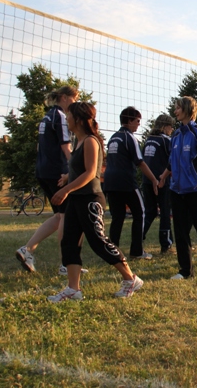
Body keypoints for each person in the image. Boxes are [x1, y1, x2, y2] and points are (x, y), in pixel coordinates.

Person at [47, 102, 143, 302]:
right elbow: (80, 169)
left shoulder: (91, 141)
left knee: (98, 241)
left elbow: (91, 173)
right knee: (69, 242)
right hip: (76, 198)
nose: (66, 119)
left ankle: (130, 279)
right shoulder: (78, 141)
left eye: (69, 116)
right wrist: (68, 177)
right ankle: (73, 289)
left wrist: (65, 190)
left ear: (78, 119)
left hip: (90, 199)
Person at [16, 85, 79, 274]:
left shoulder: (46, 117)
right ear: (65, 97)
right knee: (67, 217)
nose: (75, 103)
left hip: (43, 171)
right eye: (74, 99)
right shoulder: (60, 116)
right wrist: (75, 169)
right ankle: (66, 264)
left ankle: (27, 249)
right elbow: (66, 147)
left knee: (59, 216)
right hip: (58, 173)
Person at [158, 96, 197, 279]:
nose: (175, 111)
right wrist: (163, 177)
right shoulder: (176, 135)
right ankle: (186, 271)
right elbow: (172, 161)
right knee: (180, 231)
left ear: (188, 109)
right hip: (176, 190)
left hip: (196, 188)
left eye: (178, 108)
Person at [104, 107, 158, 260]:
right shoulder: (129, 137)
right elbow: (140, 162)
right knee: (140, 213)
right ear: (129, 121)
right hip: (126, 182)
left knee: (117, 217)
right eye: (137, 121)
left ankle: (112, 252)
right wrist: (154, 179)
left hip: (110, 182)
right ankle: (137, 251)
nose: (139, 124)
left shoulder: (113, 137)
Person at [141, 114, 175, 254]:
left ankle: (138, 239)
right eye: (171, 126)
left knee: (150, 212)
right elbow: (172, 161)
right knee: (165, 212)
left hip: (147, 180)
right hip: (162, 180)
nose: (172, 129)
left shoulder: (149, 140)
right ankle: (166, 245)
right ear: (165, 126)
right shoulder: (166, 140)